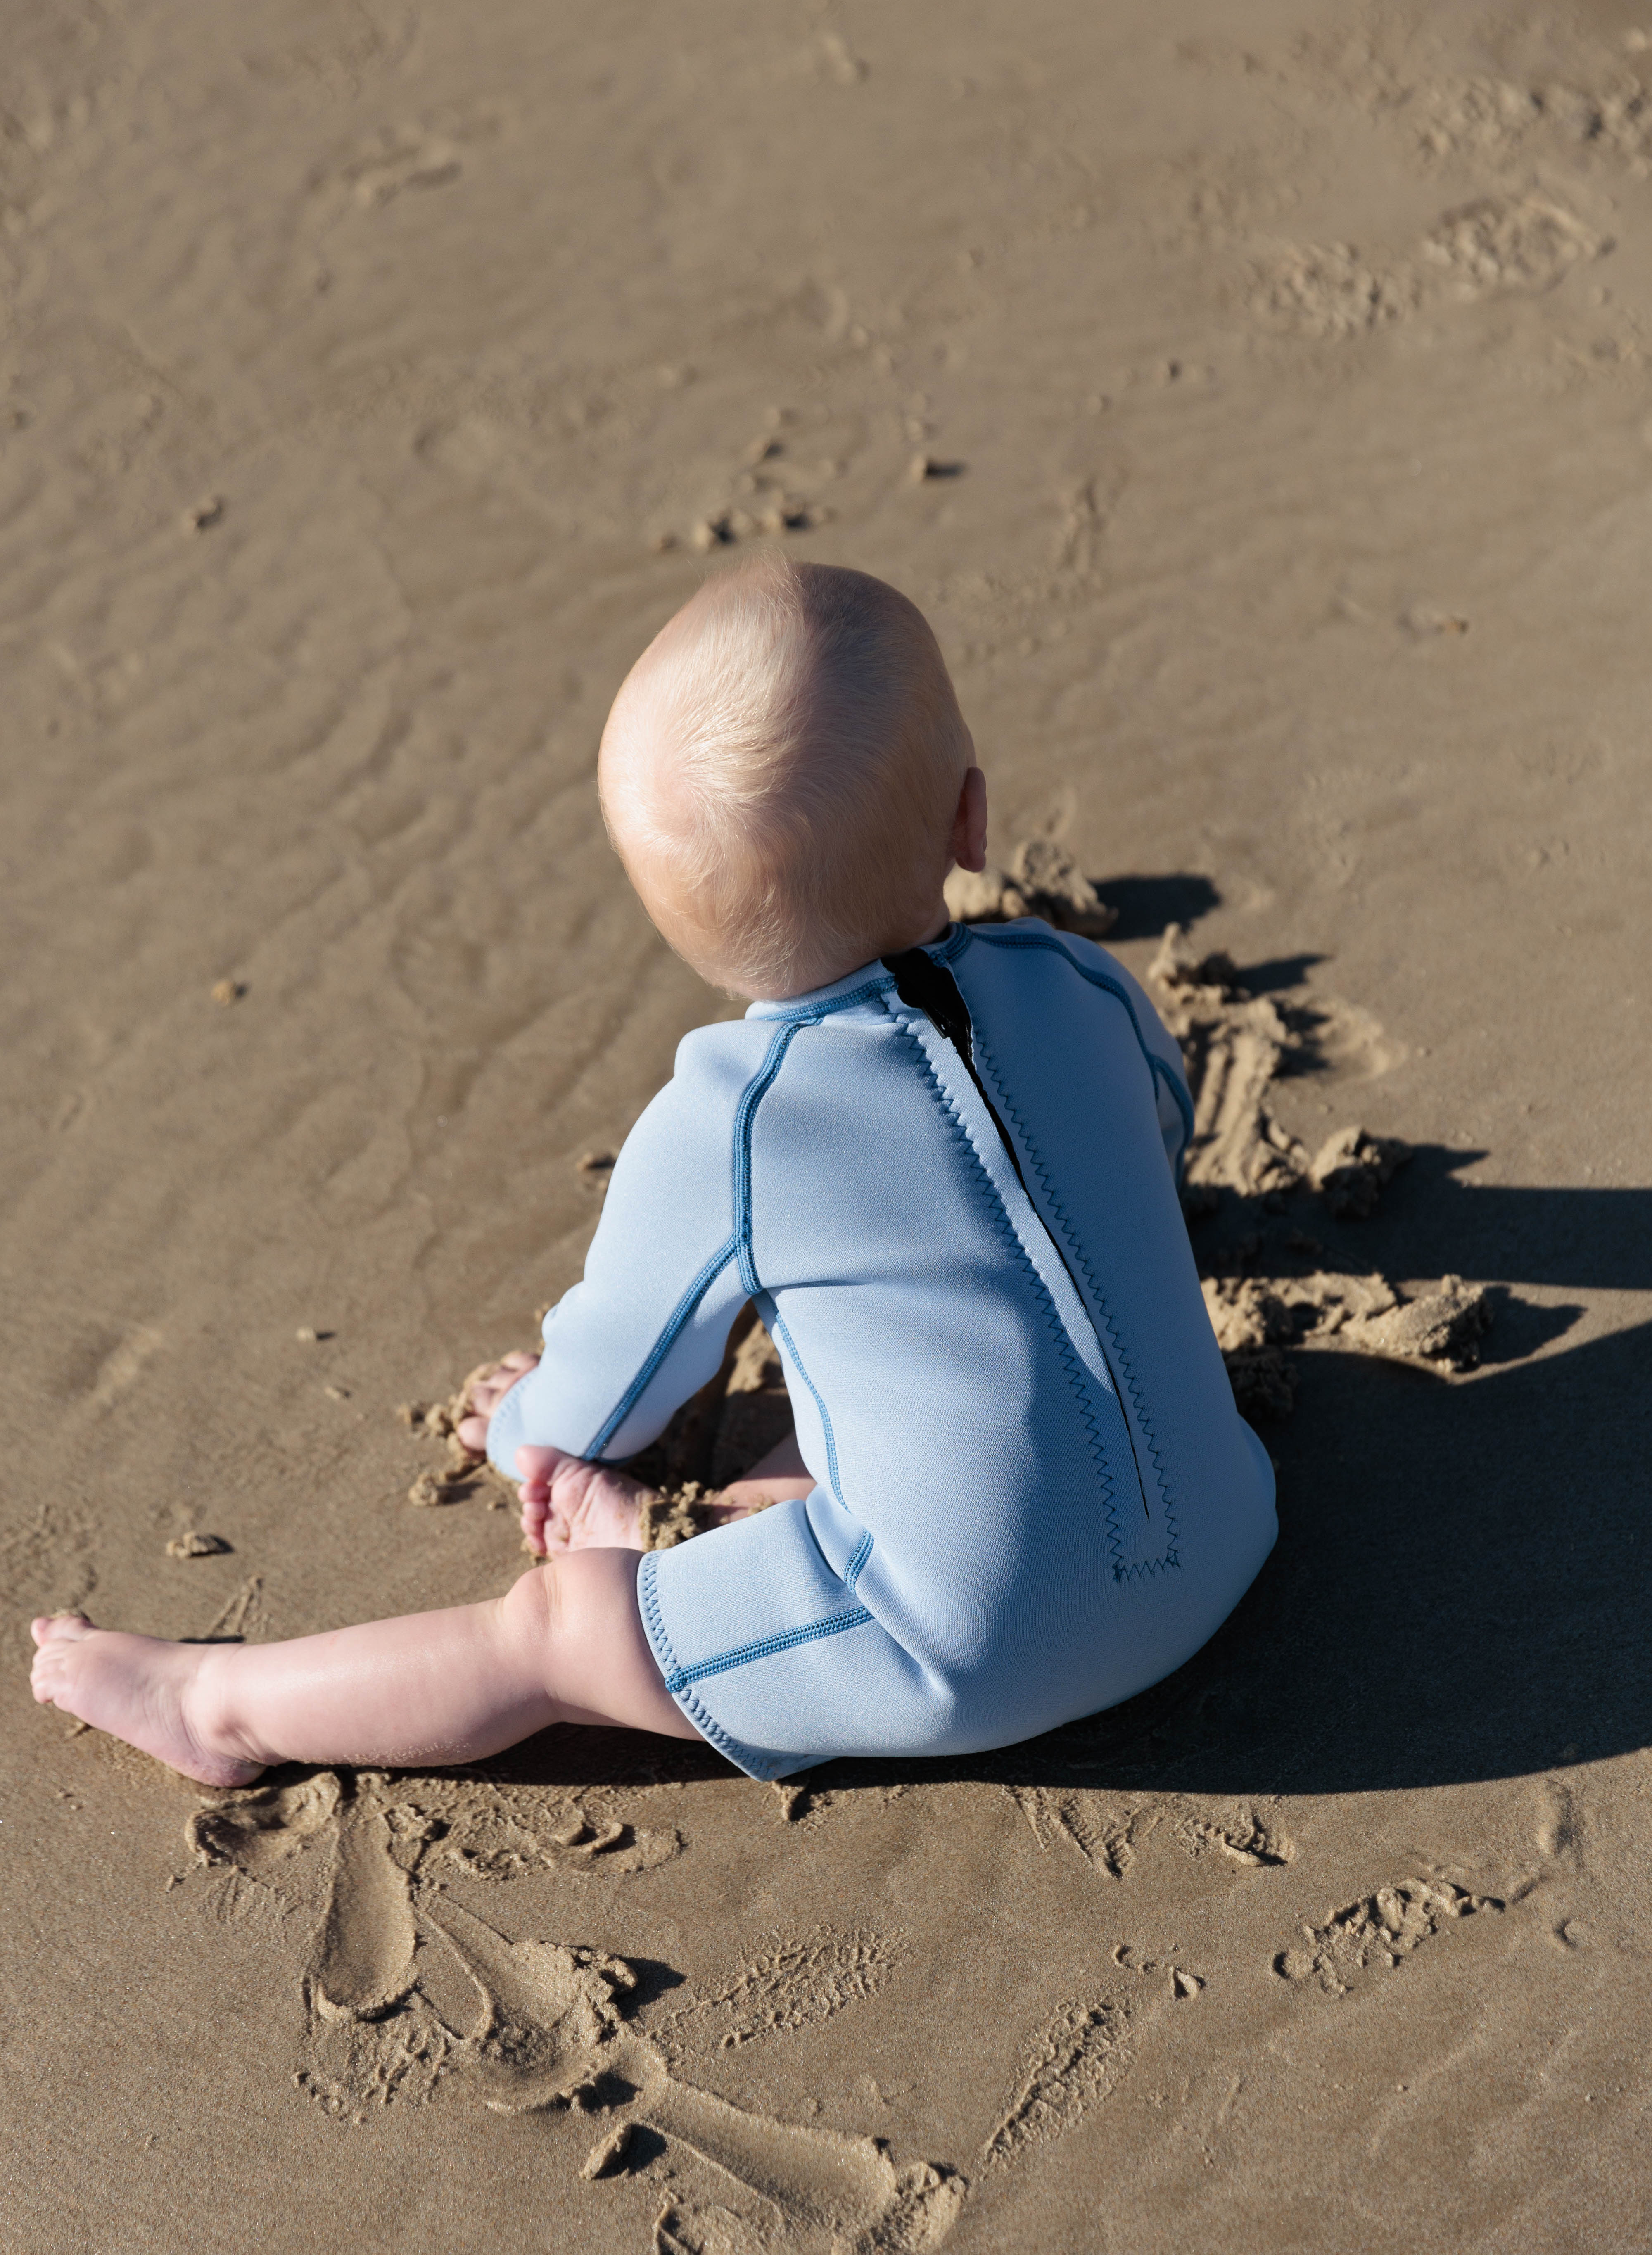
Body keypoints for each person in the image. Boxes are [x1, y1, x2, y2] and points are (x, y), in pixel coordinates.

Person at [30, 558, 1275, 1788]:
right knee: (924, 1392)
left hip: (972, 1650)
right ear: (971, 819)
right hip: (1230, 1532)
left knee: (557, 1628)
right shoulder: (1081, 983)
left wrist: (527, 1425)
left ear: (678, 920)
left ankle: (216, 1706)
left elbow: (619, 1381)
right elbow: (1160, 1148)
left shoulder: (733, 1120)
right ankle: (687, 1540)